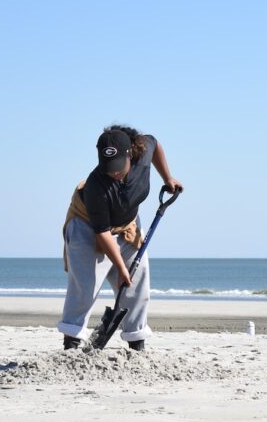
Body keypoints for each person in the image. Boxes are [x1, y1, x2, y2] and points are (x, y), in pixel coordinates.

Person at [58, 125, 182, 351]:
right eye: (108, 168)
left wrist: (168, 177)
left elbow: (155, 145)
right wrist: (121, 269)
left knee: (138, 284)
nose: (114, 173)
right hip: (88, 227)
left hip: (128, 225)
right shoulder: (96, 185)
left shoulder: (143, 151)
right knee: (86, 285)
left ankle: (136, 341)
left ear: (130, 154)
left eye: (118, 167)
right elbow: (102, 233)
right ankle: (72, 340)